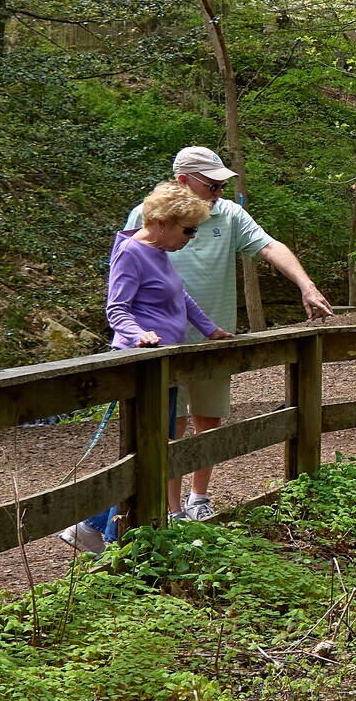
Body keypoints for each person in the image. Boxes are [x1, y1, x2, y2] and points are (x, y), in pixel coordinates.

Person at [124, 145, 334, 520]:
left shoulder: (230, 214)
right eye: (211, 185)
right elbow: (126, 278)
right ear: (183, 181)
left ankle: (197, 498)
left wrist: (306, 285)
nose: (218, 193)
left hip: (213, 339)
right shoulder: (148, 216)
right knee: (168, 424)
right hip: (161, 343)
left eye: (222, 186)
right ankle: (171, 511)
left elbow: (269, 247)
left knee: (209, 418)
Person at [61, 182, 234, 554]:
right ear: (159, 222)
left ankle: (94, 529)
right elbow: (116, 308)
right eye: (187, 229)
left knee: (153, 449)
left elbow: (180, 297)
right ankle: (112, 536)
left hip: (164, 365)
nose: (191, 236)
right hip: (141, 366)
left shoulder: (158, 252)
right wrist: (140, 335)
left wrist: (211, 330)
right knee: (147, 450)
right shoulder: (131, 253)